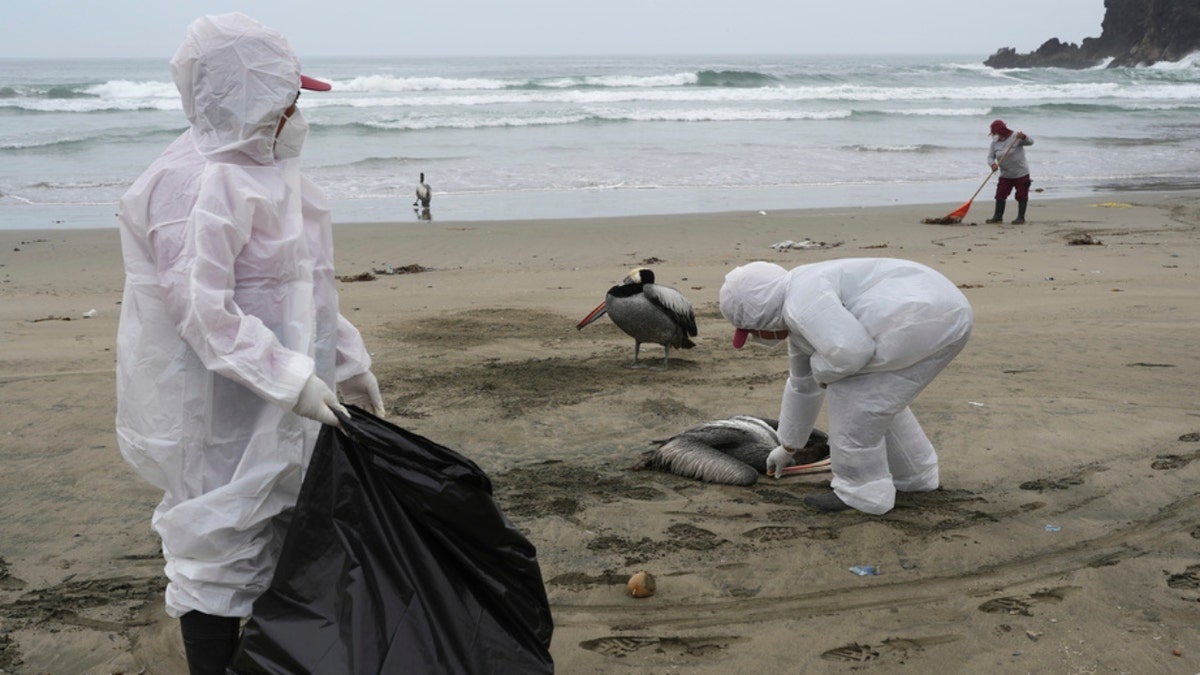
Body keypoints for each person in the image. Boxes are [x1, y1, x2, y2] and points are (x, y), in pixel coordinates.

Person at [114, 13, 386, 674]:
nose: (297, 109)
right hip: (215, 410)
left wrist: (349, 363)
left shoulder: (275, 175)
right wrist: (291, 377)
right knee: (217, 545)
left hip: (281, 402)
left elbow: (310, 293)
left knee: (282, 537)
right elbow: (201, 311)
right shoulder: (196, 185)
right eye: (287, 96)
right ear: (249, 97)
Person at [719, 259, 972, 516]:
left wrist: (822, 370)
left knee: (852, 394)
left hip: (917, 318)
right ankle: (916, 477)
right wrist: (787, 446)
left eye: (752, 330)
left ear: (761, 315)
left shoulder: (802, 302)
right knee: (880, 399)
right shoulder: (799, 300)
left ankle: (862, 494)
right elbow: (801, 385)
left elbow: (851, 352)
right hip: (947, 313)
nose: (755, 337)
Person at [986, 119, 1034, 224]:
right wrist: (993, 164)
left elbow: (1031, 142)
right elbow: (990, 157)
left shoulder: (1015, 136)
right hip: (1005, 175)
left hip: (1021, 173)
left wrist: (1024, 137)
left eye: (995, 132)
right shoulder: (994, 143)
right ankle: (998, 217)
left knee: (1021, 195)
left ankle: (1021, 218)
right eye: (993, 132)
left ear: (1002, 131)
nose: (994, 134)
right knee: (1000, 195)